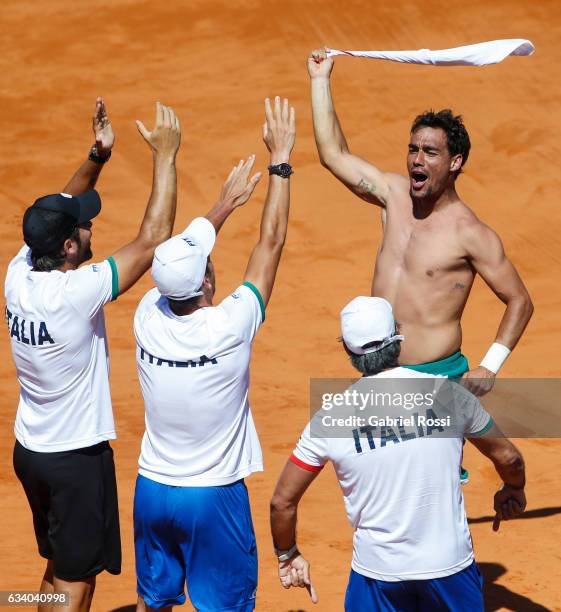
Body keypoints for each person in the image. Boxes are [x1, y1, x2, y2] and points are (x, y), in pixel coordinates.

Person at [6, 98, 181, 612]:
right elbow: (152, 240)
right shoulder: (76, 292)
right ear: (66, 250)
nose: (90, 230)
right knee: (77, 582)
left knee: (61, 565)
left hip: (32, 453)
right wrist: (166, 157)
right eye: (82, 229)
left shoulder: (19, 274)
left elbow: (54, 208)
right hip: (74, 460)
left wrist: (97, 157)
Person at [132, 96, 295, 612]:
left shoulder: (146, 317)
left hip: (152, 490)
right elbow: (270, 243)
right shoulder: (230, 325)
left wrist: (221, 207)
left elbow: (171, 255)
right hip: (213, 499)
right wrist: (281, 162)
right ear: (206, 280)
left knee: (152, 602)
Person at [270, 296, 527, 611]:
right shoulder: (450, 395)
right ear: (397, 339)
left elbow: (282, 502)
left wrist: (288, 554)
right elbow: (509, 458)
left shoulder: (330, 418)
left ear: (348, 351)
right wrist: (513, 488)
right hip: (450, 567)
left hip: (376, 573)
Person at [307, 48, 533, 395]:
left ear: (455, 161)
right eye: (413, 149)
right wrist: (320, 81)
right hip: (379, 374)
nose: (417, 160)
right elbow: (333, 155)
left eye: (430, 153)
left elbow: (520, 300)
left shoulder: (470, 234)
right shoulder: (393, 195)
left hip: (435, 377)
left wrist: (490, 365)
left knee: (502, 454)